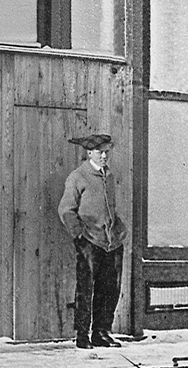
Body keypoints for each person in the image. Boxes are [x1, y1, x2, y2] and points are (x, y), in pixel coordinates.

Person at [57, 133, 128, 350]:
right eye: (100, 152)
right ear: (90, 153)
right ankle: (82, 335)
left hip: (112, 243)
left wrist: (118, 230)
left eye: (107, 151)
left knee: (110, 288)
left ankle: (101, 332)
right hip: (90, 241)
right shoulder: (78, 177)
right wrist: (79, 235)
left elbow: (110, 209)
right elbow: (66, 209)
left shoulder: (109, 176)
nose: (105, 155)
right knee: (85, 288)